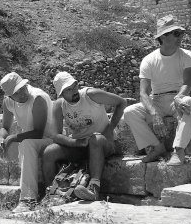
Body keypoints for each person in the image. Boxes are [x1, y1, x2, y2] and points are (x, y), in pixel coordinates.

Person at [0, 72, 54, 213]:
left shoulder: (38, 98)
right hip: (27, 142)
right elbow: (5, 128)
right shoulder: (8, 102)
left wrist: (13, 138)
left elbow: (39, 132)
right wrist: (0, 139)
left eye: (22, 88)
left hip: (48, 142)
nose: (21, 93)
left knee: (27, 144)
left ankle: (28, 199)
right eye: (16, 92)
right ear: (9, 96)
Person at [41, 72, 128, 201]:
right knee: (49, 151)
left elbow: (122, 102)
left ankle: (93, 189)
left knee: (96, 139)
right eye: (68, 90)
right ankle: (51, 193)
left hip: (103, 144)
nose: (74, 91)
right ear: (61, 94)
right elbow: (56, 135)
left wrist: (110, 129)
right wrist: (75, 142)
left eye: (74, 86)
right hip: (80, 145)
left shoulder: (91, 95)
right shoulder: (59, 106)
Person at [124, 15, 191, 165]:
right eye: (176, 33)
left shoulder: (187, 55)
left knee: (188, 103)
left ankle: (178, 150)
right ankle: (157, 147)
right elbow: (143, 93)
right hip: (156, 100)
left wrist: (179, 96)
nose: (180, 37)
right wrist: (153, 113)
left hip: (178, 98)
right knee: (129, 112)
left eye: (181, 33)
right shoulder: (149, 60)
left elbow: (188, 81)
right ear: (163, 37)